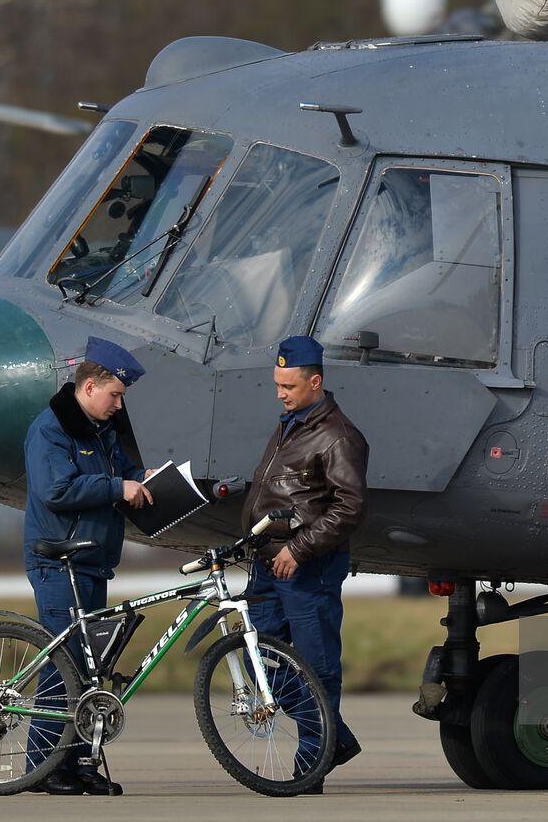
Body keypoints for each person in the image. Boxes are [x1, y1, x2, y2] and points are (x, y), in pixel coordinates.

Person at [22, 336, 152, 796]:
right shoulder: (50, 430)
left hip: (92, 563)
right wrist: (118, 489)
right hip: (59, 563)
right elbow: (54, 491)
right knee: (66, 668)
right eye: (115, 395)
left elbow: (123, 471)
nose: (119, 405)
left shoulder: (102, 431)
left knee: (91, 672)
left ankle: (77, 765)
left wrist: (144, 479)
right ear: (90, 386)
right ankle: (44, 768)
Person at [241, 335, 368, 793]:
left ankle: (312, 763)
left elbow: (349, 507)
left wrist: (299, 549)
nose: (280, 392)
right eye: (277, 383)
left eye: (289, 385)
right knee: (261, 660)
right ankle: (334, 738)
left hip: (306, 566)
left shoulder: (338, 436)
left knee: (316, 666)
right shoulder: (291, 424)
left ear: (315, 382)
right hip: (267, 563)